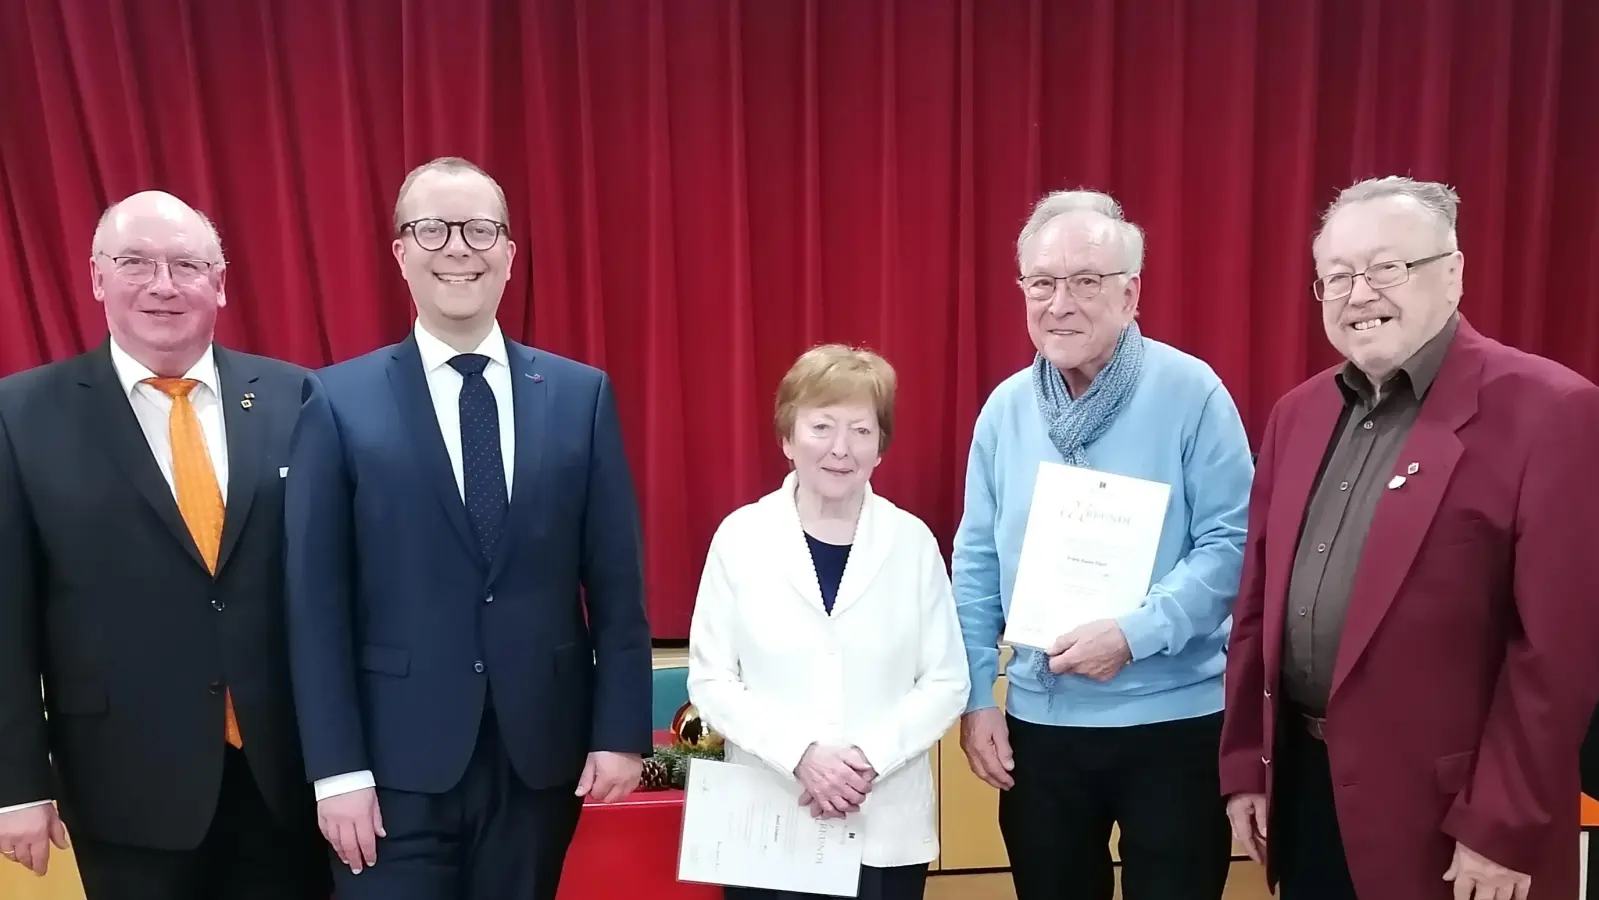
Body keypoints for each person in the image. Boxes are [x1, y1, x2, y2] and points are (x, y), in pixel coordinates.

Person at [1218, 176, 1599, 900]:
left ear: (1452, 272)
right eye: (1336, 277)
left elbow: (1558, 655)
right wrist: (1247, 766)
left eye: (1385, 268)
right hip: (1303, 795)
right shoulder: (1294, 415)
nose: (1358, 294)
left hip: (1457, 827)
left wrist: (1502, 824)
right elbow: (1257, 606)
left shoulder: (1552, 412)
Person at [284, 156, 653, 900]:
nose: (458, 247)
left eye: (480, 229)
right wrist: (336, 771)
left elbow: (616, 586)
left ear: (510, 255)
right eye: (433, 228)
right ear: (401, 252)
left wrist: (620, 732)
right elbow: (313, 606)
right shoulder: (333, 399)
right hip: (389, 772)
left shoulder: (580, 395)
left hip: (538, 762)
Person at [0, 191, 328, 899]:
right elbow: (6, 614)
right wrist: (17, 785)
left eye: (187, 264)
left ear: (220, 282)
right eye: (135, 262)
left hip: (286, 775)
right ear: (95, 277)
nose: (163, 284)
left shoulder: (296, 397)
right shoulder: (20, 414)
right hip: (124, 784)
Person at [952, 189, 1254, 900]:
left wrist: (1135, 632)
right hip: (1040, 724)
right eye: (1042, 283)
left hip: (1175, 722)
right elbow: (974, 562)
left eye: (1086, 281)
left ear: (1130, 293)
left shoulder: (1192, 392)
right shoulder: (1003, 410)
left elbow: (1233, 540)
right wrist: (975, 697)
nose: (1061, 303)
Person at [686, 344, 969, 900]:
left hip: (884, 821)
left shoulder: (911, 542)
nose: (841, 449)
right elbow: (712, 679)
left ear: (880, 447)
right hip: (768, 821)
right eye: (821, 427)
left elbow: (945, 680)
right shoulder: (740, 537)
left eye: (861, 431)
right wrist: (803, 757)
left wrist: (863, 761)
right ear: (787, 438)